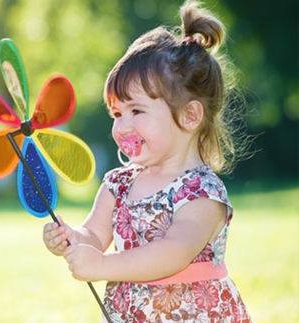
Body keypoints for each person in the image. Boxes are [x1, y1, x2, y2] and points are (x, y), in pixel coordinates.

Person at [42, 1, 252, 322]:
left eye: (136, 111)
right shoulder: (119, 183)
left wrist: (102, 266)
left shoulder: (202, 192)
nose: (122, 126)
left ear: (189, 115)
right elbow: (95, 235)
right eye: (116, 114)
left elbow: (174, 253)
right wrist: (72, 238)